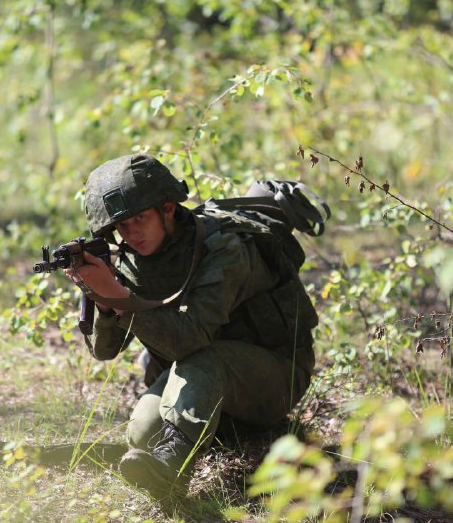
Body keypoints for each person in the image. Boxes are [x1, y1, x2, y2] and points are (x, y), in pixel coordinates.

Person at [65, 153, 317, 498]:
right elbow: (105, 350)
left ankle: (171, 472)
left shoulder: (226, 248)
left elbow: (189, 341)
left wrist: (120, 296)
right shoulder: (129, 260)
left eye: (140, 218)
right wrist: (108, 302)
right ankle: (197, 436)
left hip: (274, 379)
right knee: (143, 433)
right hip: (205, 383)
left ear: (167, 208)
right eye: (122, 226)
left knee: (203, 358)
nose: (132, 233)